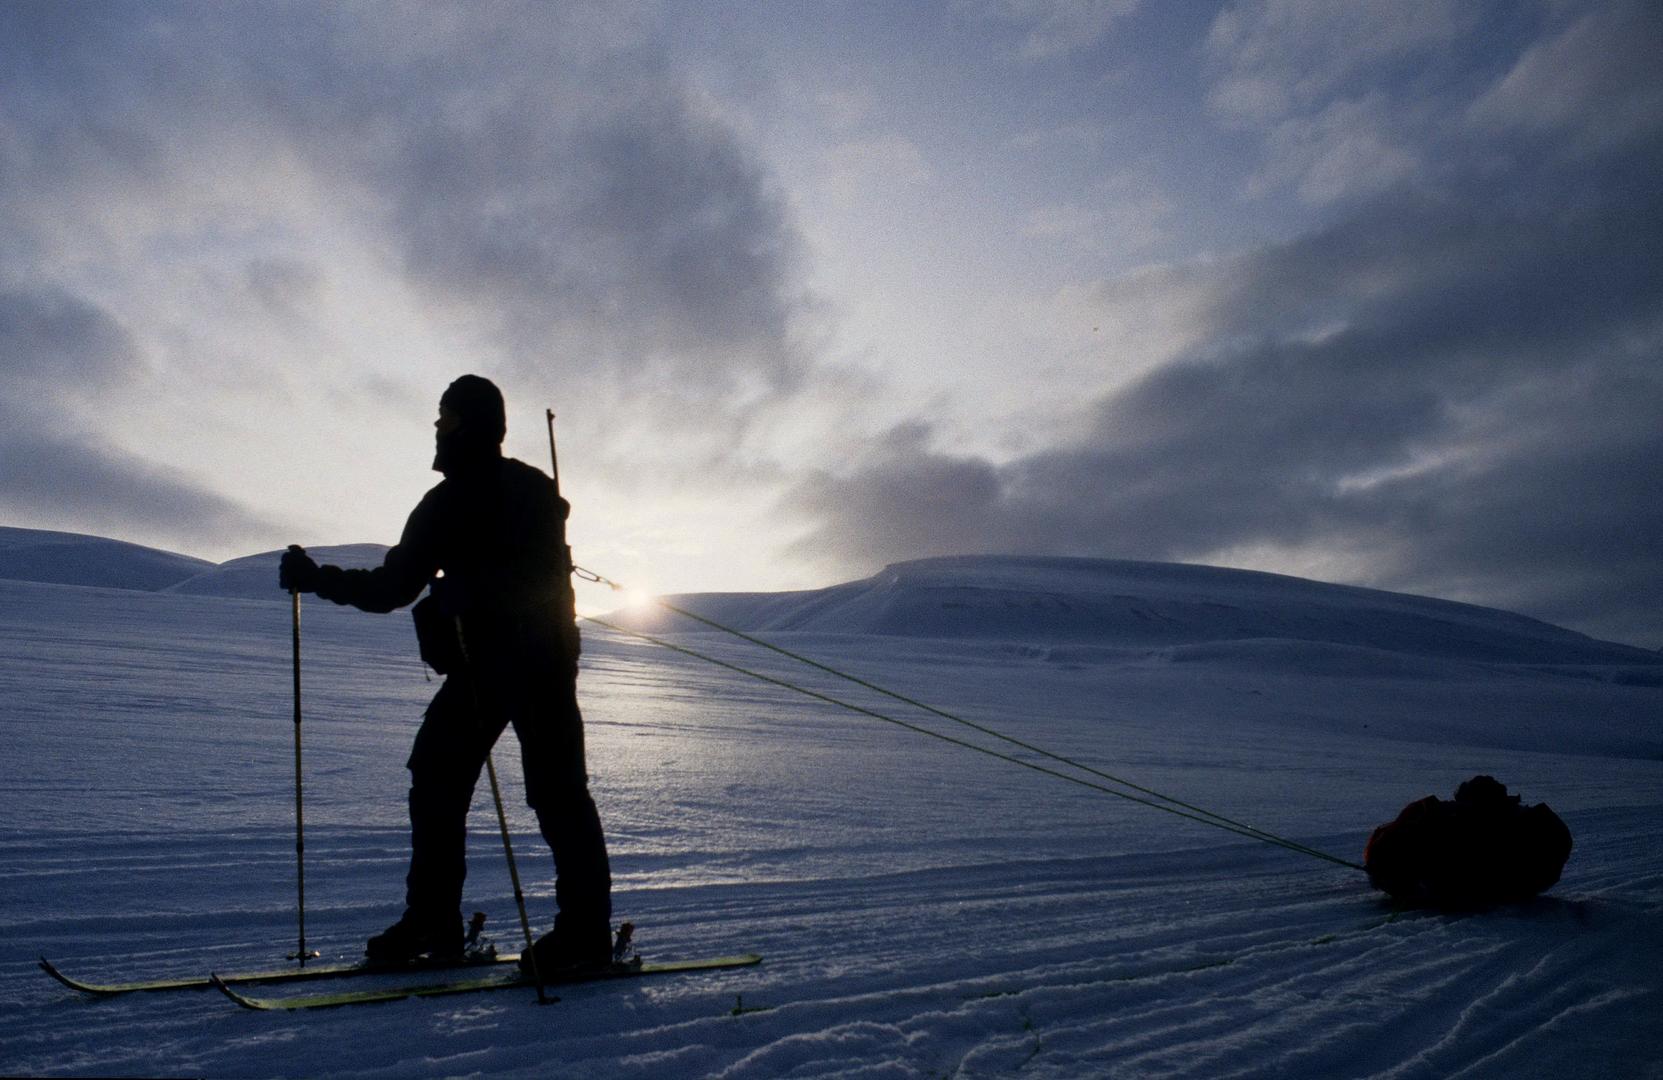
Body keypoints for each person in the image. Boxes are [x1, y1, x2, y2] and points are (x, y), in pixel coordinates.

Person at [279, 374, 613, 973]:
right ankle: (495, 927)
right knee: (526, 791)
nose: (437, 427)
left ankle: (473, 927)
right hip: (535, 665)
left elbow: (391, 589)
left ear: (469, 424)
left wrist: (315, 577)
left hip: (506, 668)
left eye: (446, 417)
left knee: (480, 786)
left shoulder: (452, 501)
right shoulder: (534, 491)